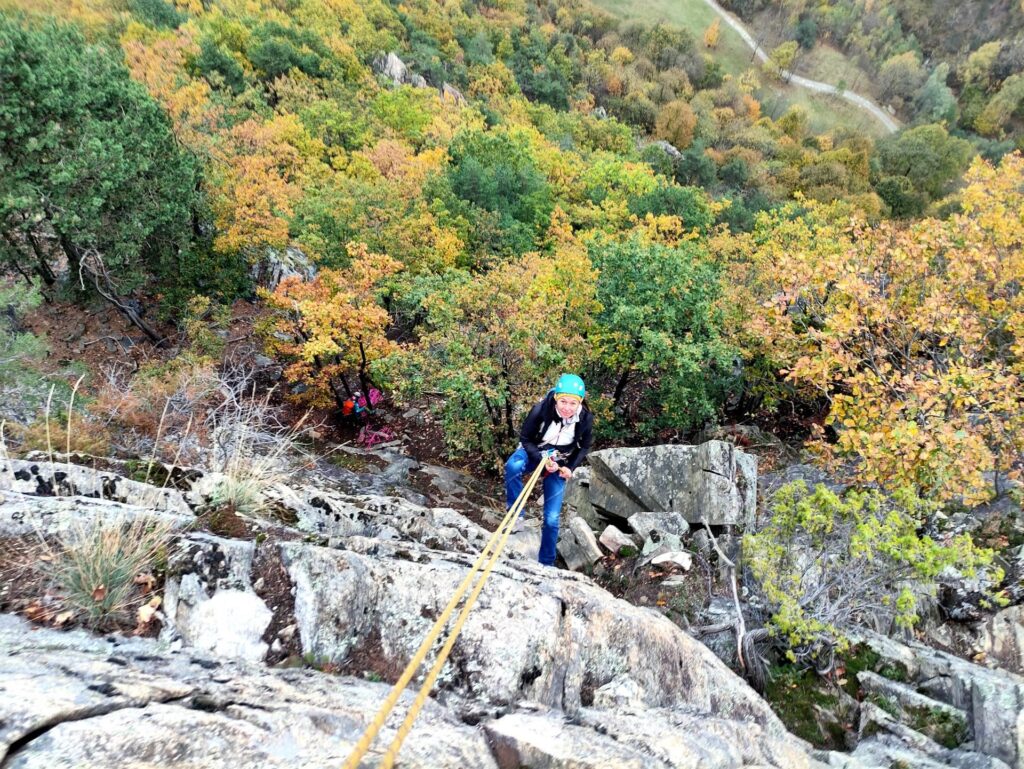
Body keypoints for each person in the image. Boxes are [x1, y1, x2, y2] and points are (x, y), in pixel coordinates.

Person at [505, 374, 593, 567]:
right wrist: (541, 459)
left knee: (552, 519)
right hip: (534, 452)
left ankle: (546, 564)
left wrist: (569, 468)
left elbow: (583, 446)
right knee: (513, 466)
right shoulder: (540, 410)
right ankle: (515, 514)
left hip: (558, 463)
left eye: (573, 403)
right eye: (563, 401)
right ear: (556, 398)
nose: (567, 407)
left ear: (580, 402)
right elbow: (526, 439)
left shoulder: (585, 419)